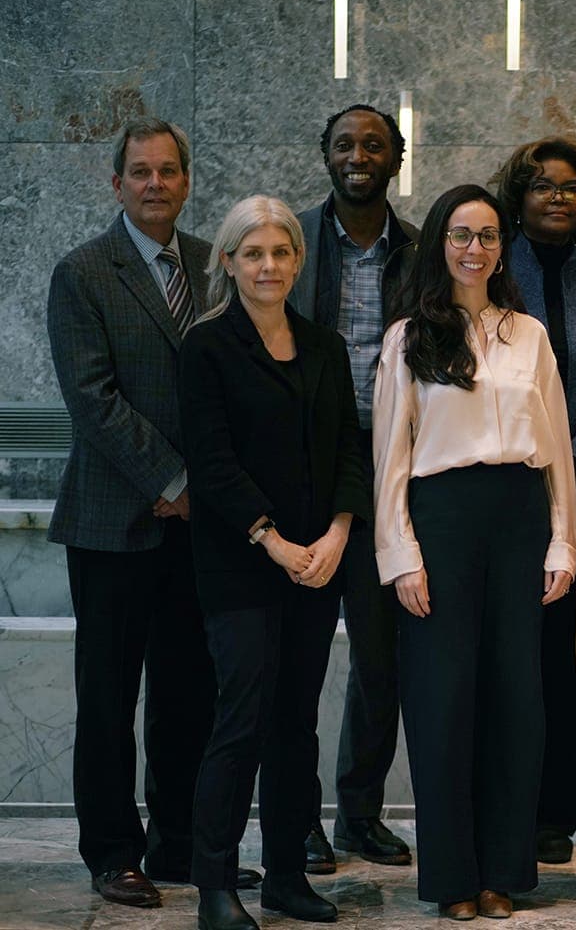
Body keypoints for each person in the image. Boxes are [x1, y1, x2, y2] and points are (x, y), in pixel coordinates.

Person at [372, 184, 576, 920]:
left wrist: (563, 540)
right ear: (440, 242)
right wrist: (400, 553)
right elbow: (390, 454)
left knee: (516, 700)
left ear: (503, 246)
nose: (474, 248)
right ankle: (453, 875)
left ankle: (502, 872)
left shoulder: (529, 334)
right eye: (461, 234)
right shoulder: (408, 338)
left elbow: (555, 448)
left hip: (520, 516)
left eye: (488, 235)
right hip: (443, 520)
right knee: (442, 699)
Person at [46, 117, 228, 908]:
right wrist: (171, 475)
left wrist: (204, 486)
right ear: (114, 183)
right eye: (140, 172)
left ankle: (178, 842)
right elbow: (93, 398)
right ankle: (113, 850)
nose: (155, 184)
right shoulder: (84, 271)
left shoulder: (212, 266)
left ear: (187, 182)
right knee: (111, 695)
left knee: (188, 691)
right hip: (113, 522)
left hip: (197, 527)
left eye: (168, 171)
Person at [179, 196, 368, 930]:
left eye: (280, 252)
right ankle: (215, 885)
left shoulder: (322, 346)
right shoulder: (207, 347)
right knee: (243, 717)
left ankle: (287, 875)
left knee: (296, 723)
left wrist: (339, 531)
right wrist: (273, 538)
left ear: (298, 260)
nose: (268, 265)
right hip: (242, 564)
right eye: (252, 253)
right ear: (228, 262)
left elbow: (349, 447)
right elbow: (213, 462)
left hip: (318, 563)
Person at [490, 137, 576, 864]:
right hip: (500, 490)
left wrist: (573, 457)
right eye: (542, 185)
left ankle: (554, 817)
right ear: (516, 196)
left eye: (573, 187)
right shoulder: (485, 270)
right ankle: (504, 805)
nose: (558, 197)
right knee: (504, 655)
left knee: (562, 658)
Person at [291, 103, 417, 873]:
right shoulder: (293, 242)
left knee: (381, 661)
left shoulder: (420, 250)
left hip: (390, 474)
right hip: (306, 476)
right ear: (326, 155)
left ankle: (358, 813)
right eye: (344, 143)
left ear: (397, 157)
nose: (358, 155)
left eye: (374, 143)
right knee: (299, 662)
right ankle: (298, 819)